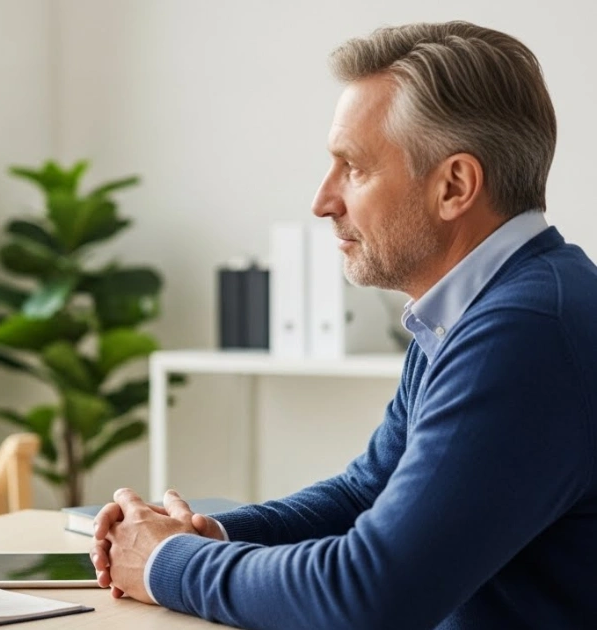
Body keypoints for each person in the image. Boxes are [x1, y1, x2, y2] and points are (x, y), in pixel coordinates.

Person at [90, 21, 597, 629]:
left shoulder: (526, 331)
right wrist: (205, 532)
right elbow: (364, 495)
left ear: (455, 185)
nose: (323, 200)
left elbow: (367, 593)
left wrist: (167, 561)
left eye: (352, 167)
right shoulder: (477, 308)